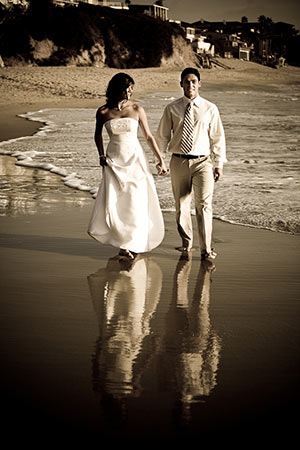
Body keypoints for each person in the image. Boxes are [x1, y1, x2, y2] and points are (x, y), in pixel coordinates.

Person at [88, 72, 169, 260]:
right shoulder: (103, 112)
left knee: (135, 201)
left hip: (135, 161)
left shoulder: (137, 109)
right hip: (113, 161)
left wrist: (160, 159)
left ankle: (133, 241)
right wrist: (101, 154)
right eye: (127, 88)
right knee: (116, 202)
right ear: (118, 88)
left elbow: (148, 137)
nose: (130, 92)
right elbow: (97, 135)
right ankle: (123, 244)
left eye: (132, 88)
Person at [155, 67, 227, 260]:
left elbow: (218, 138)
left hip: (203, 162)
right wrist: (160, 161)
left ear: (200, 84)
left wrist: (219, 164)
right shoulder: (172, 108)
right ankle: (186, 243)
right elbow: (162, 136)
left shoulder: (210, 108)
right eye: (186, 81)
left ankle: (206, 249)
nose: (190, 85)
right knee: (181, 205)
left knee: (204, 205)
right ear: (181, 84)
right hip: (178, 161)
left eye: (194, 81)